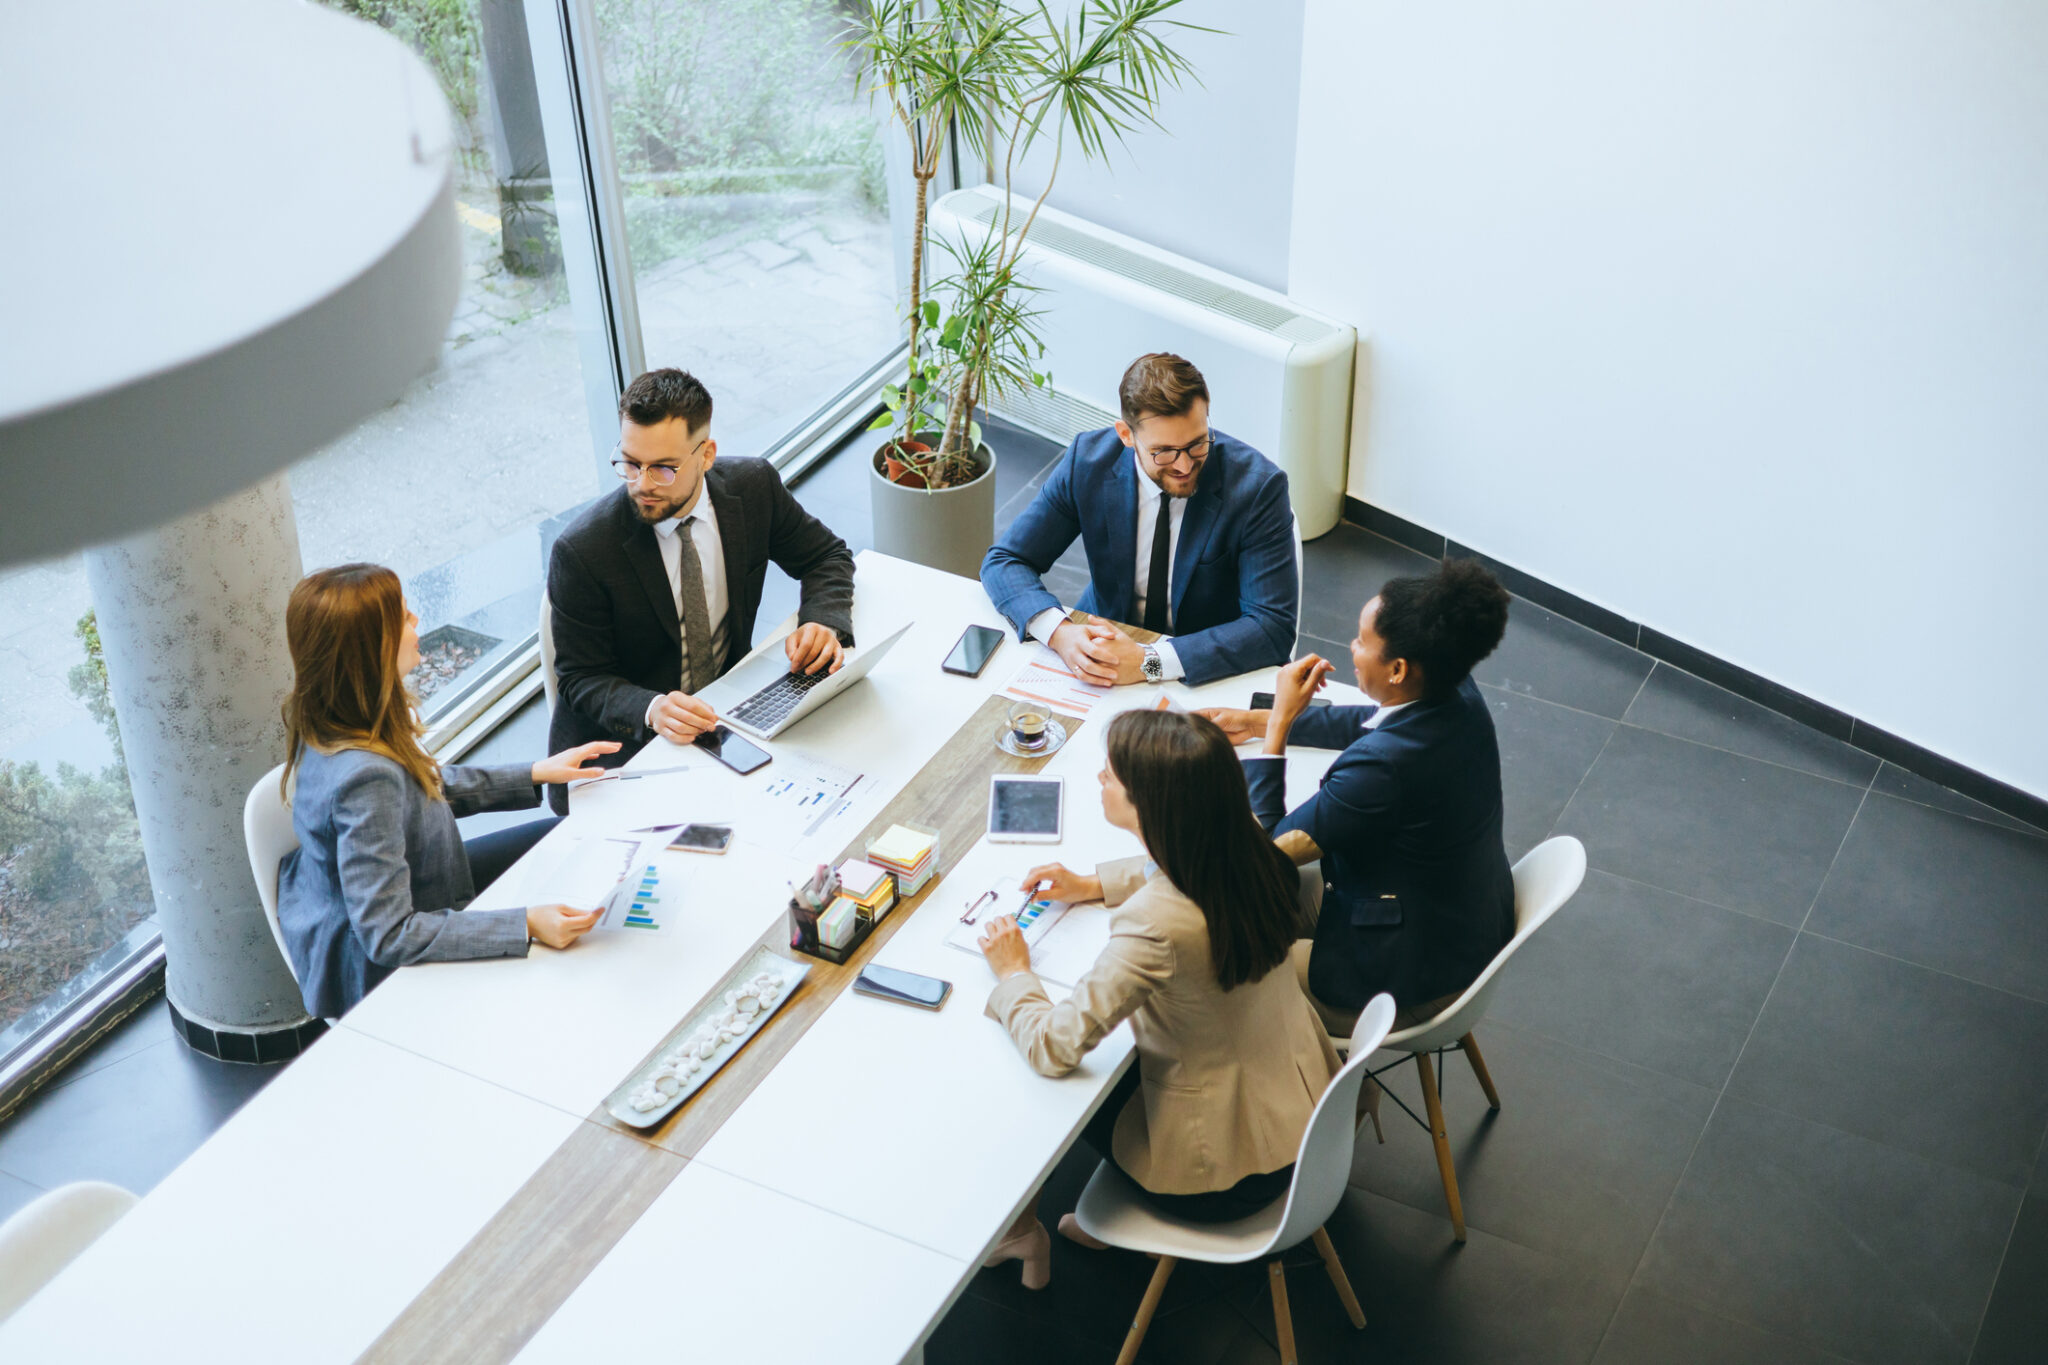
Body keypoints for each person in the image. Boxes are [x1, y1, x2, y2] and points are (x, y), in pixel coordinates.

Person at [975, 709, 1340, 1288]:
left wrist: (1014, 972)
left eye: (1112, 775)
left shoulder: (1155, 924)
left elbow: (1055, 1045)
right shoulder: (1247, 839)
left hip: (1225, 1180)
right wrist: (1095, 883)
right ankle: (1070, 1226)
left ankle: (1024, 1229)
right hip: (1311, 1128)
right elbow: (1178, 869)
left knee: (1030, 1075)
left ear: (1151, 806)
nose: (1099, 778)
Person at [276, 564, 617, 1019]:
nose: (416, 620)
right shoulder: (363, 778)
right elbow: (390, 934)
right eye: (401, 617)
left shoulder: (336, 719)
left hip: (420, 875)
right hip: (386, 970)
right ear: (368, 651)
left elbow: (421, 787)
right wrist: (525, 924)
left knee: (558, 838)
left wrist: (537, 772)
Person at [1201, 558, 1516, 1032]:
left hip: (1407, 975)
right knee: (1244, 906)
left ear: (1398, 669)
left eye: (1362, 642)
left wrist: (1280, 726)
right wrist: (1254, 720)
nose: (1351, 647)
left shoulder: (1382, 768)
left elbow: (1265, 849)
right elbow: (1375, 721)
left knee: (1213, 965)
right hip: (1460, 924)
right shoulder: (1454, 690)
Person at [545, 367, 856, 810]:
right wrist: (652, 709)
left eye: (663, 469)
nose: (642, 484)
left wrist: (823, 622)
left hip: (730, 712)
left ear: (706, 454)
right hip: (625, 750)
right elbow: (580, 678)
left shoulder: (753, 489)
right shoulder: (583, 550)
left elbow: (825, 556)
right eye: (630, 464)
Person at [979, 352, 1297, 689]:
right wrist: (1060, 633)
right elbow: (1006, 561)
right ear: (1126, 436)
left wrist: (1150, 663)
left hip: (1203, 663)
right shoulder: (1087, 463)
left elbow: (1271, 626)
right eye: (1164, 452)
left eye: (1197, 444)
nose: (1185, 466)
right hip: (1106, 643)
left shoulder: (1258, 487)